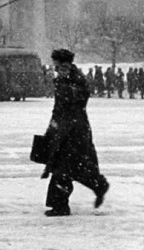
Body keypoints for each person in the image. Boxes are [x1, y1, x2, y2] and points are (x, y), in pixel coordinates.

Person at [39, 48, 110, 217]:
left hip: (72, 130)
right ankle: (97, 185)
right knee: (71, 167)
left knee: (64, 167)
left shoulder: (74, 79)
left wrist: (65, 85)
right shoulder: (68, 78)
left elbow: (77, 101)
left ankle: (61, 205)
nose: (54, 67)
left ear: (63, 63)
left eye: (56, 63)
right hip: (67, 128)